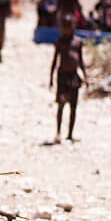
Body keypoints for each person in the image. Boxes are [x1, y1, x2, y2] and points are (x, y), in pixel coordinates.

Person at [49, 13, 88, 142]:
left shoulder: (77, 42)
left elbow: (81, 61)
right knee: (61, 104)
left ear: (73, 27)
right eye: (63, 26)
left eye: (68, 26)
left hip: (73, 77)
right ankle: (58, 133)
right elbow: (55, 61)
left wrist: (86, 76)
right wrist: (51, 78)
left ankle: (70, 134)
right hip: (62, 76)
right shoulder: (60, 42)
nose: (65, 29)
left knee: (73, 106)